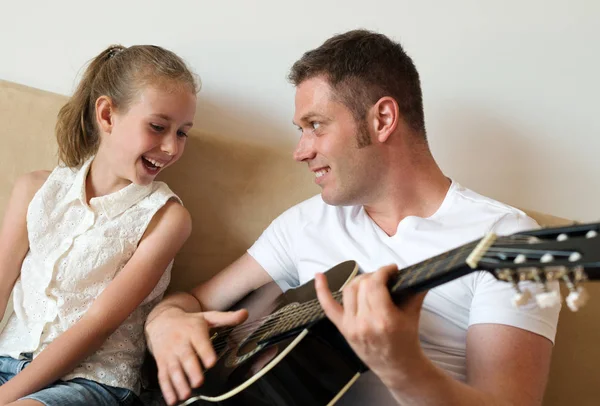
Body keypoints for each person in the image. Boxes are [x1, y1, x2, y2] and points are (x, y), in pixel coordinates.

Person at [145, 29, 560, 406]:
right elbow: (195, 301)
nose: (301, 151)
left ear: (382, 119)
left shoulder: (507, 239)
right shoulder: (305, 223)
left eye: (315, 125)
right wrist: (164, 323)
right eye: (300, 129)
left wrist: (403, 367)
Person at [0, 44, 198, 406]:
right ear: (107, 115)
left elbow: (97, 325)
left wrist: (6, 396)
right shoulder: (35, 190)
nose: (171, 147)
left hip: (91, 380)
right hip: (7, 360)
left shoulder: (166, 219)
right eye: (157, 127)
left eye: (182, 133)